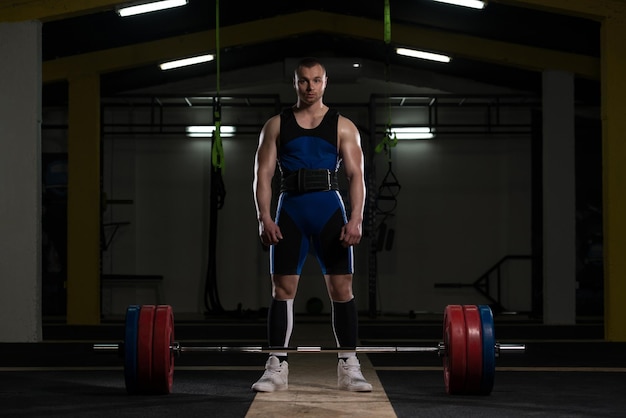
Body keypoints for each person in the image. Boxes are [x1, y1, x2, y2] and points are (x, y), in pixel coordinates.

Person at [252, 57, 372, 392]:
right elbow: (261, 175)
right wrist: (263, 217)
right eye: (304, 81)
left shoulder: (343, 125)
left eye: (316, 80)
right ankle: (276, 366)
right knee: (282, 290)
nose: (310, 87)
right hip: (289, 210)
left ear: (325, 82)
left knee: (342, 290)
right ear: (295, 83)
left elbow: (355, 176)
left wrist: (357, 218)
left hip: (329, 212)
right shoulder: (276, 125)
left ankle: (349, 366)